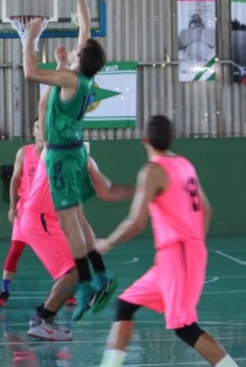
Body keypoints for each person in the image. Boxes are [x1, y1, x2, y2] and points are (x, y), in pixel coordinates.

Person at [95, 115, 238, 367]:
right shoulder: (184, 164)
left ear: (145, 140)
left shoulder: (153, 170)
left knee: (185, 328)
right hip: (173, 257)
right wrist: (194, 243)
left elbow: (136, 222)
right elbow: (207, 210)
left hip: (178, 254)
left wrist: (107, 243)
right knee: (125, 305)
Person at [23, 0, 113, 321]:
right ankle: (102, 274)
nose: (75, 48)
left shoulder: (71, 80)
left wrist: (30, 38)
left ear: (80, 58)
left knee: (70, 222)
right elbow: (86, 25)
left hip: (60, 156)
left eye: (77, 50)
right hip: (75, 152)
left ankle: (90, 280)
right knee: (79, 219)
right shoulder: (84, 78)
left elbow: (31, 72)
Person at [24, 151, 134, 341]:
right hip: (39, 218)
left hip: (53, 220)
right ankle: (42, 320)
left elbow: (82, 216)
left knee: (76, 273)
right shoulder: (53, 151)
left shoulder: (85, 162)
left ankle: (44, 318)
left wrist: (99, 266)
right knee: (75, 273)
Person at [0, 118, 76, 309]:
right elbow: (14, 180)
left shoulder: (54, 155)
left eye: (45, 127)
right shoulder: (24, 152)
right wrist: (13, 207)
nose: (41, 130)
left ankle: (66, 292)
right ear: (34, 131)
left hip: (47, 213)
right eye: (38, 127)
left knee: (59, 254)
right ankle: (4, 291)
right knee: (15, 251)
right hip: (26, 213)